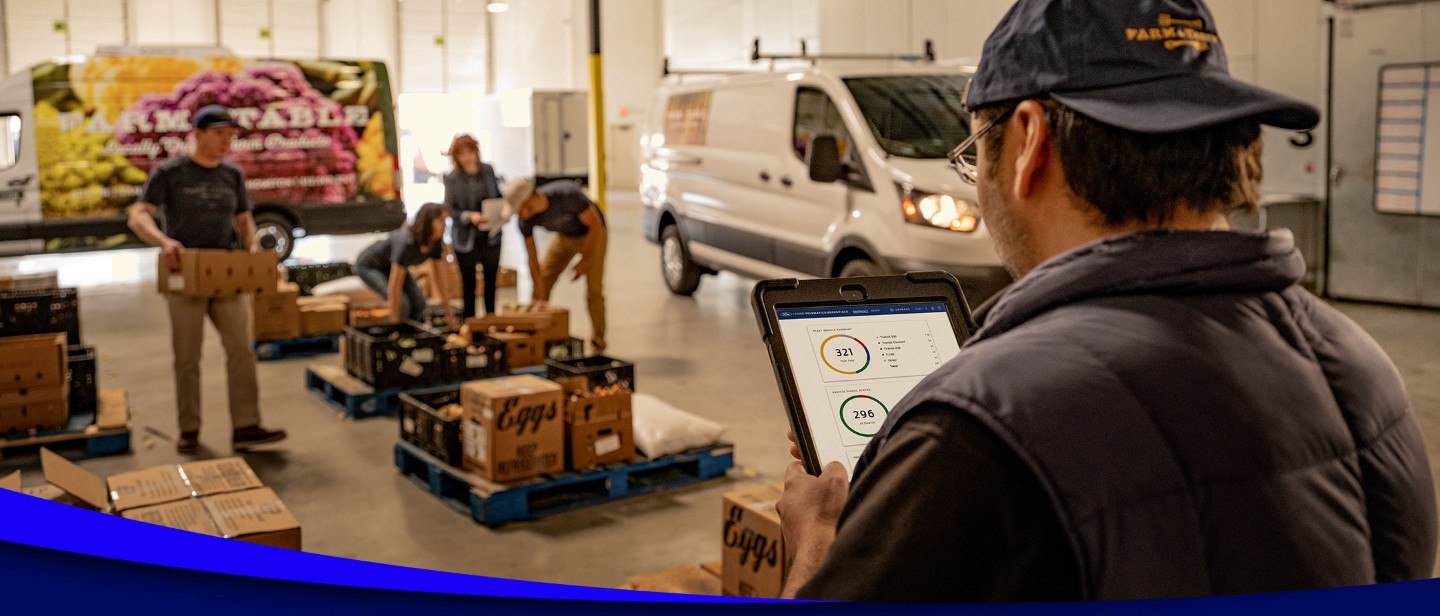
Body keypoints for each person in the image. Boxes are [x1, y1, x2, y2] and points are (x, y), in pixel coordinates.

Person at [776, 0, 1437, 602]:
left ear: (1028, 139)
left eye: (976, 151)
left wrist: (814, 539)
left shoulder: (978, 430)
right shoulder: (1361, 368)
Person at [128, 104, 287, 453]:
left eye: (230, 136)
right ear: (197, 134)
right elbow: (138, 216)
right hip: (185, 273)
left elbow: (244, 219)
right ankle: (189, 429)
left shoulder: (232, 175)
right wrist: (164, 241)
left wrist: (252, 245)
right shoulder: (170, 173)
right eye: (218, 134)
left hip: (226, 274)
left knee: (241, 350)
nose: (226, 142)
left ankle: (246, 426)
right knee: (187, 356)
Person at [505, 178, 608, 352]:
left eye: (519, 209)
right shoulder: (525, 221)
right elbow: (533, 260)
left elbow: (595, 224)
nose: (518, 215)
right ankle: (535, 338)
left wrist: (584, 261)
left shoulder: (566, 195)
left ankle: (598, 342)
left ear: (528, 200)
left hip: (593, 233)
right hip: (565, 236)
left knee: (593, 290)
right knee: (543, 281)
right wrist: (539, 295)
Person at [353, 202, 456, 329]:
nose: (445, 225)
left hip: (392, 266)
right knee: (402, 303)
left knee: (419, 303)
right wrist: (394, 326)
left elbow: (441, 280)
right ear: (428, 222)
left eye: (446, 220)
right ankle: (392, 333)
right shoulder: (406, 242)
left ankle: (408, 332)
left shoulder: (435, 244)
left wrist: (450, 315)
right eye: (440, 220)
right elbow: (394, 288)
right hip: (369, 265)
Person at [442, 134, 504, 318]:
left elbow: (497, 195)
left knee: (491, 281)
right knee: (469, 283)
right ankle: (470, 324)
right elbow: (449, 208)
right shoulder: (452, 178)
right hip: (465, 237)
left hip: (490, 233)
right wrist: (469, 216)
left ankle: (490, 319)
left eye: (470, 152)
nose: (467, 157)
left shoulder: (487, 170)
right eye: (462, 154)